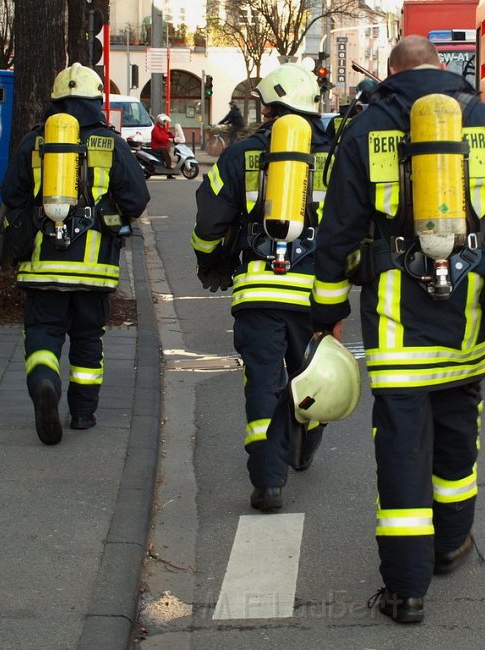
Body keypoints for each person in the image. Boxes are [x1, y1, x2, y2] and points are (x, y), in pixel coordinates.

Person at [309, 35, 485, 624]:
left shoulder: (367, 128)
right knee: (459, 436)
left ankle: (406, 591)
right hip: (468, 322)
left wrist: (323, 315)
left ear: (392, 72)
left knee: (402, 451)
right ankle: (451, 545)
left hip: (396, 328)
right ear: (438, 67)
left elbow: (337, 235)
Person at [191, 63, 332, 512]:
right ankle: (303, 446)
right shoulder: (337, 155)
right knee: (310, 375)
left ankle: (269, 481)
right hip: (316, 293)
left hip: (259, 292)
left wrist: (211, 262)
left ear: (269, 106)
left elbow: (209, 222)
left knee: (263, 382)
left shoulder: (239, 155)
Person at [0, 62, 150, 446]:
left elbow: (12, 197)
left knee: (42, 333)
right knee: (88, 339)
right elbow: (137, 199)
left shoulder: (33, 142)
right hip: (94, 269)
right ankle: (83, 413)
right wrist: (109, 218)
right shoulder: (110, 143)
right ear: (96, 100)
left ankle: (45, 382)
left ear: (55, 100)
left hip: (41, 266)